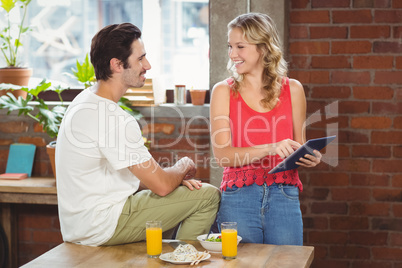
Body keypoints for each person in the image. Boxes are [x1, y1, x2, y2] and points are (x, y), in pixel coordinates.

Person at [55, 23, 220, 246]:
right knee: (207, 197)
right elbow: (161, 185)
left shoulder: (84, 101)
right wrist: (183, 166)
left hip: (82, 224)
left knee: (178, 195)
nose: (148, 65)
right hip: (103, 225)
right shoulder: (112, 117)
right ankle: (182, 258)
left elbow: (140, 178)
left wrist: (176, 181)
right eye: (140, 59)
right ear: (117, 65)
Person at [209, 13, 322, 245]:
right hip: (239, 198)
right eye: (230, 46)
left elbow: (298, 145)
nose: (232, 54)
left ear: (263, 47)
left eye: (240, 46)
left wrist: (308, 156)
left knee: (287, 263)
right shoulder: (223, 91)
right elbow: (222, 156)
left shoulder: (293, 89)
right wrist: (271, 148)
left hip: (284, 196)